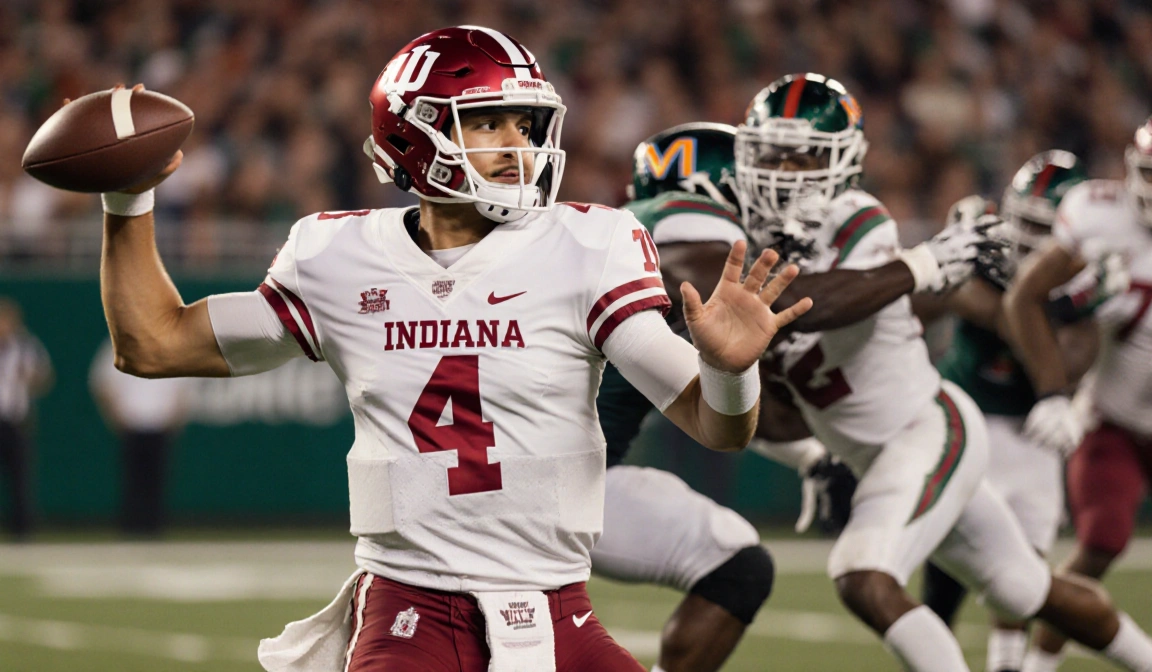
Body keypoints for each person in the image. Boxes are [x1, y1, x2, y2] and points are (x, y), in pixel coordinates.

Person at [91, 27, 813, 672]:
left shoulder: (589, 245)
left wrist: (728, 368)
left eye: (523, 124)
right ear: (415, 133)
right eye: (486, 122)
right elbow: (153, 344)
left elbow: (718, 427)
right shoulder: (338, 255)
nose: (517, 146)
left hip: (557, 611)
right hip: (411, 615)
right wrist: (128, 202)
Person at [735, 72, 1152, 672]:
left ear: (843, 162)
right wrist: (808, 455)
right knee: (1026, 587)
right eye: (773, 153)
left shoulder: (858, 217)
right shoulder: (739, 238)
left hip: (926, 432)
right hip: (880, 448)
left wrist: (926, 267)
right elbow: (755, 404)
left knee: (862, 574)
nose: (786, 171)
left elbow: (823, 303)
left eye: (805, 156)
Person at [1006, 105, 1152, 672]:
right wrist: (1051, 392)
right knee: (1102, 540)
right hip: (1109, 417)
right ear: (1131, 169)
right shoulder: (1096, 213)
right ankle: (1035, 668)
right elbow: (1026, 296)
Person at [912, 152, 1113, 672]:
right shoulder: (982, 234)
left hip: (1033, 423)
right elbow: (959, 301)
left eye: (1044, 229)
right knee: (948, 561)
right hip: (965, 408)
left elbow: (1069, 365)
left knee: (1025, 559)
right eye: (1022, 221)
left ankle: (1008, 665)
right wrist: (1042, 304)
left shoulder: (1093, 263)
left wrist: (1042, 305)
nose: (1027, 237)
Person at [591, 122, 774, 672]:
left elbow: (732, 413)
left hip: (561, 473)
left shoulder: (616, 230)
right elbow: (694, 272)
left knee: (737, 563)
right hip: (554, 484)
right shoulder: (680, 221)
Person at [89, 338, 191, 536]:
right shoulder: (119, 343)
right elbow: (102, 383)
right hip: (131, 424)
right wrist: (114, 415)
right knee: (132, 480)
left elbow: (184, 387)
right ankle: (130, 528)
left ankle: (154, 528)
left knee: (157, 480)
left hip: (161, 425)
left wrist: (176, 417)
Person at [0, 297, 53, 540]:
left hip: (15, 419)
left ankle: (22, 532)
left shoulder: (26, 347)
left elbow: (45, 378)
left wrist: (29, 378)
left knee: (20, 479)